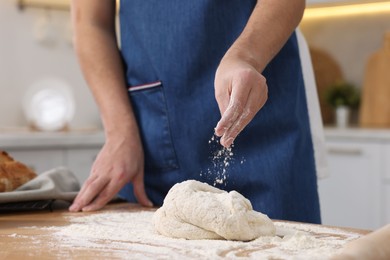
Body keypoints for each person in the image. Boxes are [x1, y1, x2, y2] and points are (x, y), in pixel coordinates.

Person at [69, 0, 323, 224]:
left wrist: (246, 57)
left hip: (264, 127)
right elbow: (89, 22)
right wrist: (119, 132)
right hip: (155, 139)